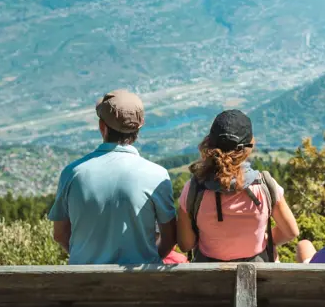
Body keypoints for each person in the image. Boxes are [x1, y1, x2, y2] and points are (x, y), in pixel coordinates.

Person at [49, 90, 177, 265]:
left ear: (102, 127)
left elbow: (60, 234)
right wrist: (150, 259)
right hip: (140, 284)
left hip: (84, 283)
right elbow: (170, 238)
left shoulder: (72, 173)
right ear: (139, 127)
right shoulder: (157, 175)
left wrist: (85, 257)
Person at [177, 109, 299, 262]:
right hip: (259, 277)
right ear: (249, 147)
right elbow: (291, 232)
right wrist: (265, 239)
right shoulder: (265, 185)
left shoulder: (194, 189)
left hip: (208, 280)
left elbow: (185, 245)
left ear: (209, 143)